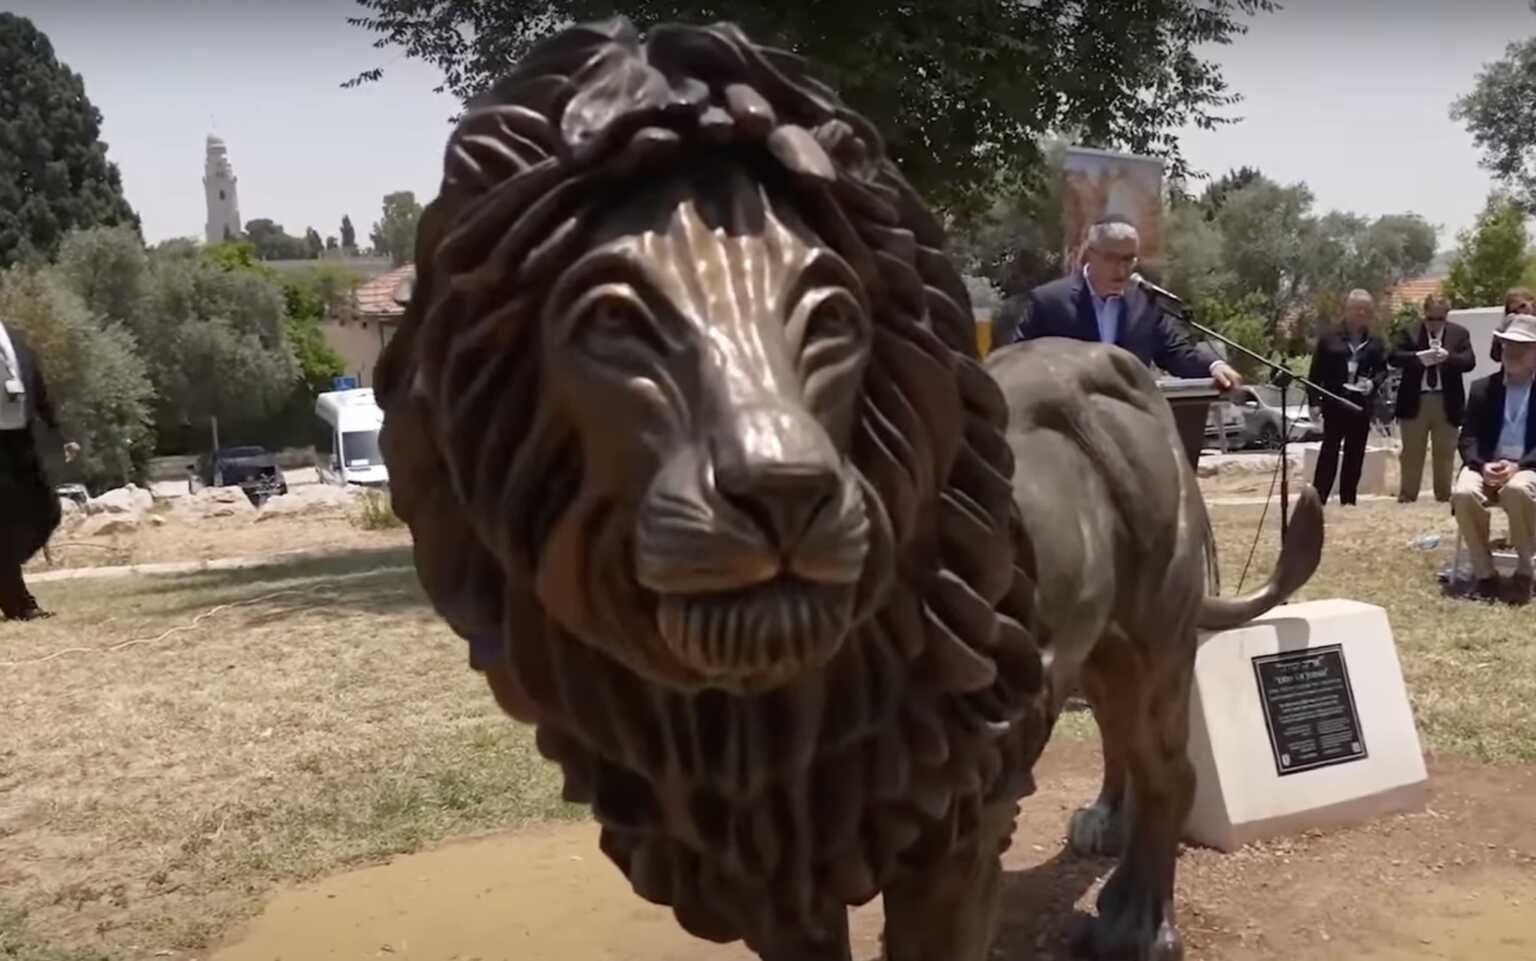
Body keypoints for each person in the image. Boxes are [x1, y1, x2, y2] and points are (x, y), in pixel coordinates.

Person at [1002, 218, 1244, 389]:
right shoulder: (1049, 301)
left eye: (1128, 259)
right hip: (1070, 425)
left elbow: (1176, 353)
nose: (1121, 269)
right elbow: (1020, 359)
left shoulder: (1145, 303)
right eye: (1111, 258)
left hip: (1129, 425)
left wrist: (1214, 366)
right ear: (1089, 253)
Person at [1452, 312, 1536, 604]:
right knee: (1463, 493)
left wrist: (1519, 466)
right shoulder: (1482, 388)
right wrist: (1482, 465)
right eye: (1507, 345)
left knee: (1517, 489)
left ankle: (1525, 572)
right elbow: (1468, 438)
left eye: (1521, 346)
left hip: (1528, 466)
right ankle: (1485, 574)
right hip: (1486, 464)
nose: (1512, 352)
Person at [0, 319, 78, 620]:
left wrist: (60, 432)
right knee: (4, 522)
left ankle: (5, 568)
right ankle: (19, 603)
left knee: (47, 510)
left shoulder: (15, 338)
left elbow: (38, 387)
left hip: (21, 439)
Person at [1389, 293, 1476, 503]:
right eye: (1430, 318)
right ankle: (1408, 495)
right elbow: (1393, 357)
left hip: (1447, 400)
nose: (1434, 323)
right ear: (1424, 313)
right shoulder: (1409, 331)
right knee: (1412, 452)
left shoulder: (1459, 333)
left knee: (1445, 451)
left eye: (1440, 318)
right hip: (1415, 400)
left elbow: (1469, 361)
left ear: (1446, 315)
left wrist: (1448, 358)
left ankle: (1443, 495)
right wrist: (1418, 358)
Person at [1307, 290, 1389, 505]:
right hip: (1334, 403)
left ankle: (1348, 500)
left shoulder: (1375, 342)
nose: (1361, 313)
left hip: (1360, 406)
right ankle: (1319, 498)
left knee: (1355, 454)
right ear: (1347, 309)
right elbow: (1315, 374)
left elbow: (1382, 371)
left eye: (1366, 309)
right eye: (1357, 308)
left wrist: (1372, 384)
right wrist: (1314, 403)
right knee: (1329, 452)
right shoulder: (1329, 338)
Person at [1488, 287, 1535, 364]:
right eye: (1514, 311)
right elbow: (1496, 356)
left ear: (1532, 302)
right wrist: (1501, 330)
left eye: (1522, 306)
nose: (1521, 312)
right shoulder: (1510, 328)